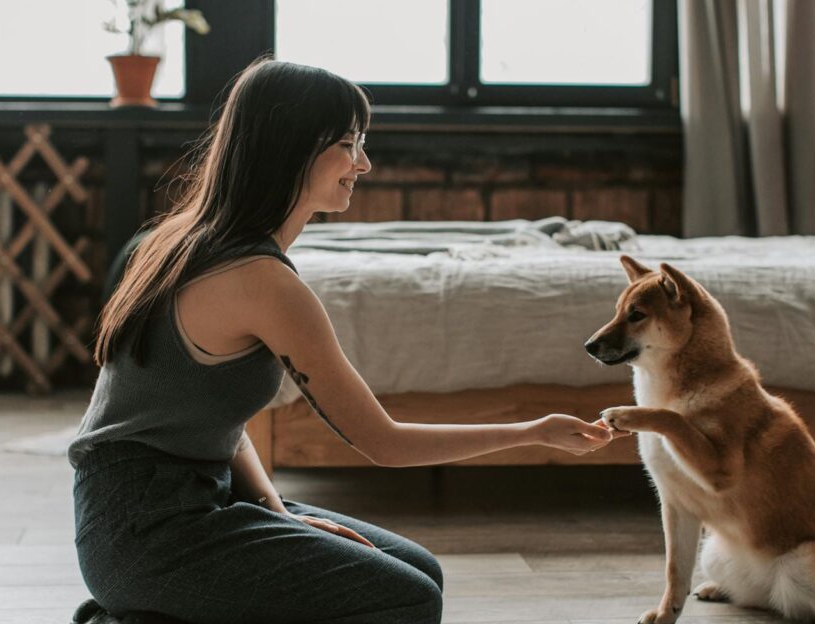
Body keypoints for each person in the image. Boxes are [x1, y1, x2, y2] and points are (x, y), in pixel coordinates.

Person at [68, 59, 622, 624]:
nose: (364, 163)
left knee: (417, 570)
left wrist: (274, 512)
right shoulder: (261, 282)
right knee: (407, 599)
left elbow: (218, 423)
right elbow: (385, 443)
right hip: (149, 530)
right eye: (347, 144)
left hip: (167, 504)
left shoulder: (191, 238)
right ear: (291, 150)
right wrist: (533, 432)